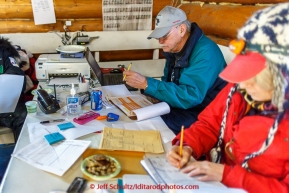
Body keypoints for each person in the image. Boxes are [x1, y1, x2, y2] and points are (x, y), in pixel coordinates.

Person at [166, 3, 289, 193]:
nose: (244, 85)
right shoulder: (239, 88)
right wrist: (188, 145)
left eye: (255, 78)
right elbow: (209, 124)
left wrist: (227, 175)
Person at [123, 6, 227, 134]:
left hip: (207, 113)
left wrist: (147, 84)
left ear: (182, 30)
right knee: (138, 117)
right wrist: (157, 95)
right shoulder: (174, 48)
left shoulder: (206, 52)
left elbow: (190, 96)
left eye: (164, 36)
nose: (160, 42)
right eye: (158, 37)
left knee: (154, 125)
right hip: (186, 106)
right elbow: (168, 80)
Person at [0, 37, 27, 141]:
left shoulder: (4, 51)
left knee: (24, 117)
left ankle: (22, 153)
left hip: (7, 103)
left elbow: (17, 75)